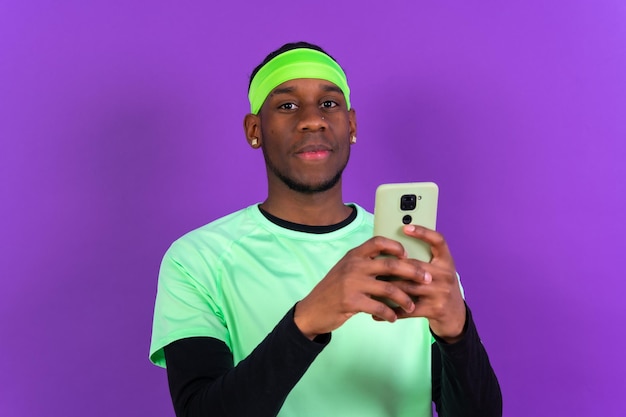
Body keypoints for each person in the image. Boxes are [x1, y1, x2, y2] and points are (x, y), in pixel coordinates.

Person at [149, 41, 502, 417]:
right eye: (287, 105)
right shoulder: (196, 260)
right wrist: (307, 321)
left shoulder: (411, 258)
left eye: (329, 104)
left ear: (351, 125)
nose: (312, 119)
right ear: (255, 130)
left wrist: (457, 335)